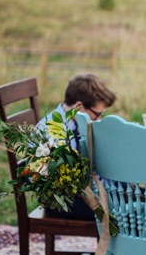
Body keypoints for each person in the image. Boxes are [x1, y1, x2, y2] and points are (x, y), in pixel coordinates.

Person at [36, 73, 117, 220]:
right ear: (79, 107)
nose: (99, 119)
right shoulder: (54, 132)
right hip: (62, 200)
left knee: (128, 191)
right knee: (122, 209)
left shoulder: (77, 121)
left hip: (84, 189)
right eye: (97, 114)